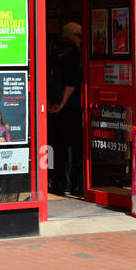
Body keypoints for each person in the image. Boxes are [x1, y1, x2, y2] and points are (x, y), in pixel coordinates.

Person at [47, 21, 83, 196]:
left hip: (51, 105)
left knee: (54, 143)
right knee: (70, 146)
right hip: (68, 106)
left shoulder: (53, 51)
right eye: (79, 36)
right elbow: (72, 82)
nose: (81, 40)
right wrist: (62, 103)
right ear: (71, 35)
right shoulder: (74, 54)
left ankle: (51, 180)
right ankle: (68, 184)